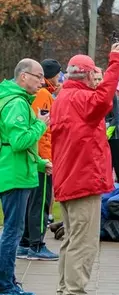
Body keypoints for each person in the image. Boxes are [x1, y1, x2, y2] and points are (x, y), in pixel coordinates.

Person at [48, 45, 119, 295]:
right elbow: (104, 99)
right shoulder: (81, 100)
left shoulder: (62, 99)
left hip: (68, 179)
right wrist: (116, 62)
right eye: (94, 73)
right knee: (83, 242)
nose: (97, 79)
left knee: (71, 241)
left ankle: (64, 294)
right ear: (86, 75)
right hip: (83, 180)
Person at [0, 59, 50, 295]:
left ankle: (7, 281)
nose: (43, 82)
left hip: (17, 172)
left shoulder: (14, 99)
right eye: (39, 77)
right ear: (23, 77)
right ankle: (5, 286)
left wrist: (41, 164)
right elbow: (19, 142)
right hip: (15, 177)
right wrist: (41, 125)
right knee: (12, 232)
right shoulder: (17, 104)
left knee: (12, 231)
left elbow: (14, 145)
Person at [18, 58, 61, 261]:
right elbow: (43, 127)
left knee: (32, 201)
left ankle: (25, 242)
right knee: (40, 202)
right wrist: (47, 158)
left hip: (37, 156)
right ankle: (37, 244)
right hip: (43, 158)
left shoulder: (40, 94)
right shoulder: (44, 95)